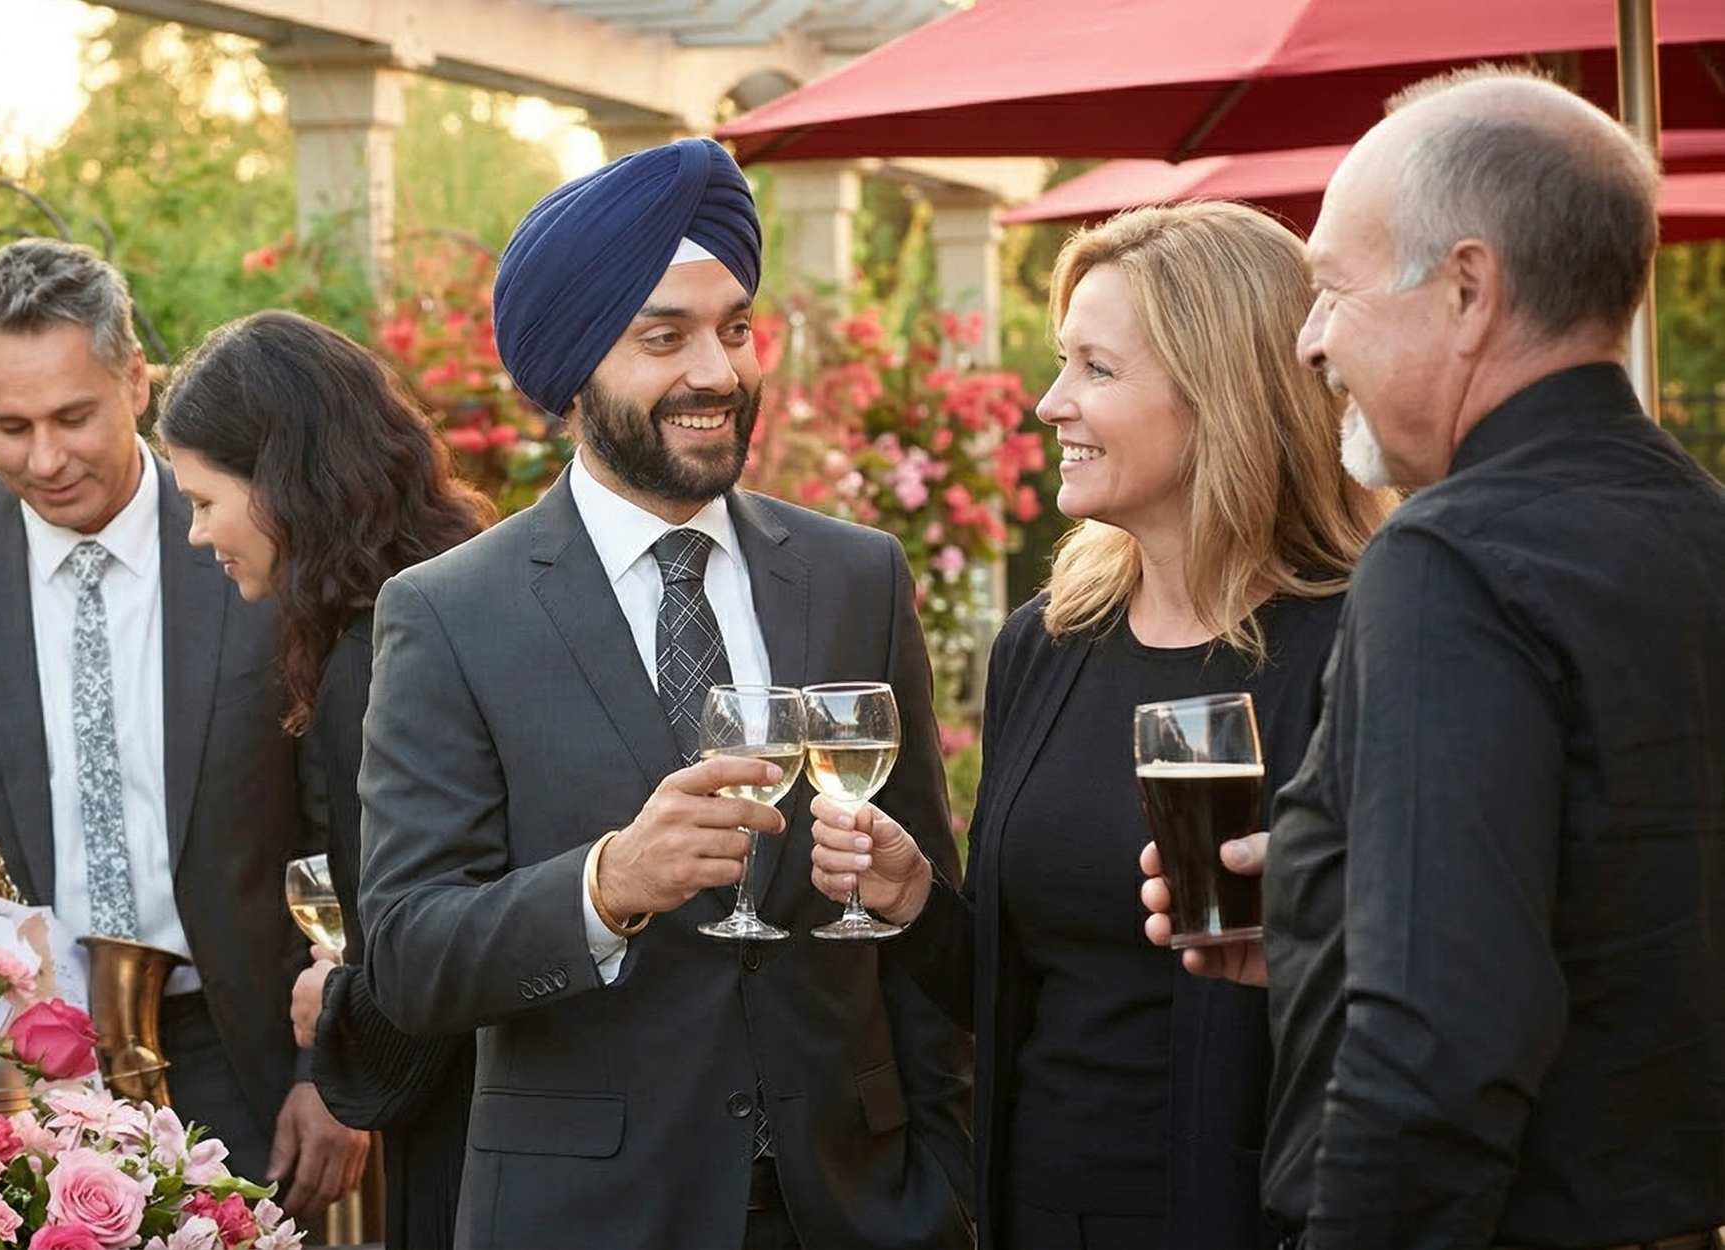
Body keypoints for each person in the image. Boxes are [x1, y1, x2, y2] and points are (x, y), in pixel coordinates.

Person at [355, 136, 971, 1250]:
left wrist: (948, 1181)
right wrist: (604, 884)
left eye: (734, 327)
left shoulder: (855, 575)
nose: (719, 371)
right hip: (586, 1217)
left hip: (855, 1207)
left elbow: (926, 928)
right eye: (664, 337)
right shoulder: (448, 611)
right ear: (574, 364)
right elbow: (404, 952)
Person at [1149, 67, 1725, 1246]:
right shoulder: (1700, 524)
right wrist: (1327, 934)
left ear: (1468, 289)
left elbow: (1437, 1047)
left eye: (1331, 291)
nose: (1309, 342)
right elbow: (1618, 907)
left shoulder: (1446, 558)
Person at [807, 201, 1389, 1250]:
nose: (1048, 403)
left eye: (1096, 368)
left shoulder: (1359, 643)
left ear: (1223, 393)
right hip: (1035, 1209)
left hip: (1256, 1215)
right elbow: (1017, 983)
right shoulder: (1047, 643)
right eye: (1057, 362)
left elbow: (1408, 980)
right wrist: (910, 899)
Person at [0, 239, 367, 1219]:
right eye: (8, 425)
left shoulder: (259, 537)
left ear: (136, 379)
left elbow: (345, 835)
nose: (44, 457)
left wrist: (332, 1067)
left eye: (73, 416)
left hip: (242, 1050)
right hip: (11, 1068)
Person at [154, 309, 495, 1248]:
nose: (193, 534)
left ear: (280, 484)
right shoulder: (463, 592)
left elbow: (421, 940)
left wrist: (337, 1006)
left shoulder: (370, 659)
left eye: (203, 499)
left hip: (475, 1129)